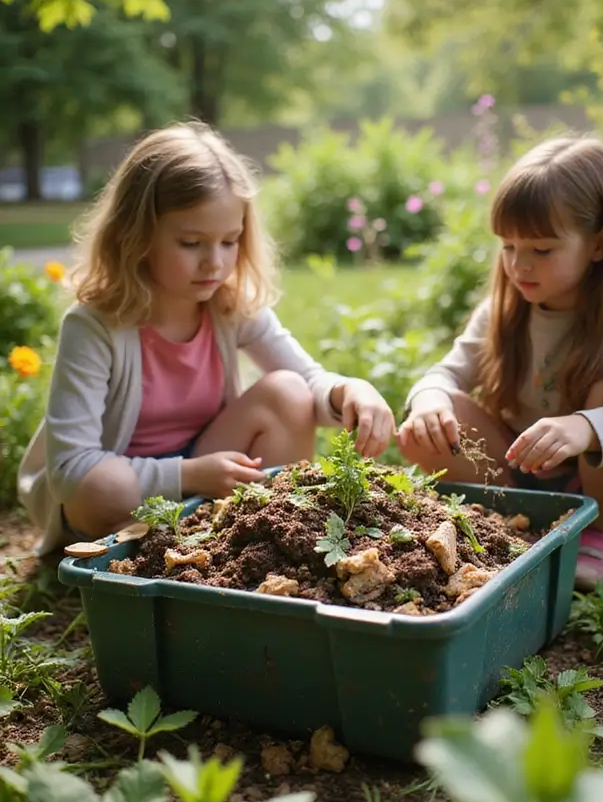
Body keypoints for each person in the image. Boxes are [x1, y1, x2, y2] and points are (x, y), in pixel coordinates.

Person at [19, 122, 394, 555]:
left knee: (288, 393)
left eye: (230, 241)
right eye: (191, 242)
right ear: (137, 235)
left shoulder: (229, 305)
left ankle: (257, 543)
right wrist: (189, 475)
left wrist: (351, 390)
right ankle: (143, 551)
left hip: (208, 472)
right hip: (118, 501)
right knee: (91, 487)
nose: (214, 263)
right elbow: (70, 470)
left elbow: (308, 382)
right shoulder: (95, 325)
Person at [397, 137, 603, 589]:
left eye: (542, 249)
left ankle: (597, 533)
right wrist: (430, 399)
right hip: (521, 477)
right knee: (426, 428)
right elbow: (447, 372)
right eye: (509, 247)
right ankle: (515, 522)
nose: (519, 266)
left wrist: (587, 427)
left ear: (599, 244)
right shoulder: (503, 311)